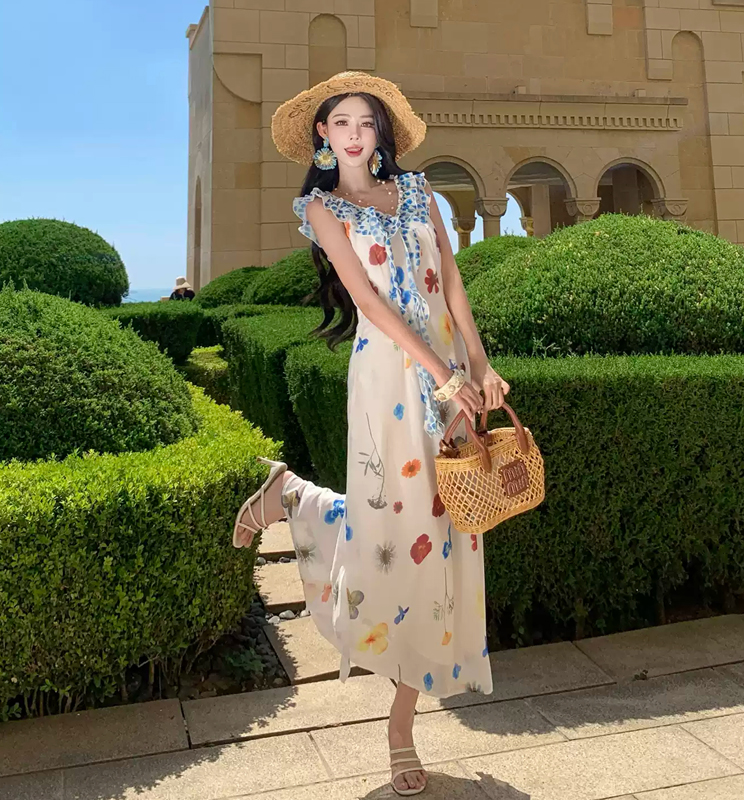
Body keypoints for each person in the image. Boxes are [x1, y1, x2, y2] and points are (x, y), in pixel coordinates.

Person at [232, 71, 510, 797]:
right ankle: (295, 499)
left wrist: (478, 364)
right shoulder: (321, 208)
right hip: (388, 378)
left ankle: (291, 496)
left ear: (380, 134)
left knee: (447, 530)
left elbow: (451, 282)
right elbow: (367, 301)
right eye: (342, 124)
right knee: (394, 528)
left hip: (448, 370)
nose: (355, 135)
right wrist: (440, 374)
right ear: (323, 136)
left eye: (366, 123)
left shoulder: (420, 193)